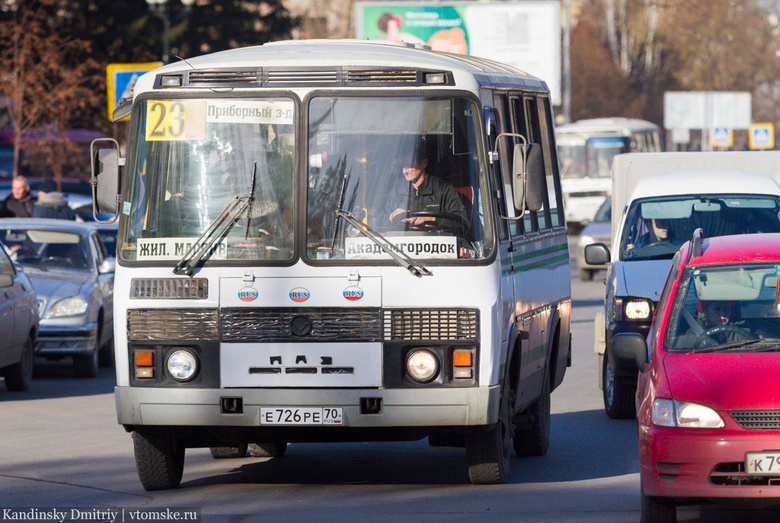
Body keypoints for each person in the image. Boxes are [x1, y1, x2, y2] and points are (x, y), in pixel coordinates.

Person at [384, 142, 468, 232]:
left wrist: (433, 219)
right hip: (401, 244)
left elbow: (462, 224)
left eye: (409, 166)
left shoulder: (443, 189)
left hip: (436, 243)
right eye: (402, 166)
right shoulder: (397, 188)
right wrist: (391, 216)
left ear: (424, 163)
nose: (404, 171)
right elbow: (378, 222)